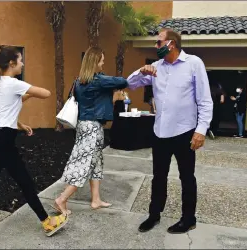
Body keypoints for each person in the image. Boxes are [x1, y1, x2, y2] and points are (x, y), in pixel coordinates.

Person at [0, 45, 68, 246]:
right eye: (20, 60)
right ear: (11, 64)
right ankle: (47, 222)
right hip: (3, 143)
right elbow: (46, 93)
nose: (23, 63)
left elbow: (8, 106)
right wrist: (30, 90)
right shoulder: (13, 83)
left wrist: (22, 113)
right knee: (24, 183)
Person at [127, 28, 213, 234]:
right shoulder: (156, 67)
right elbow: (130, 84)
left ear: (171, 44)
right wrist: (141, 71)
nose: (155, 47)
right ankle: (154, 215)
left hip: (185, 132)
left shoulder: (194, 64)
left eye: (158, 43)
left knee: (187, 177)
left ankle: (188, 219)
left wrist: (201, 130)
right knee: (158, 177)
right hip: (160, 132)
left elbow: (205, 101)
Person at [52, 47, 128, 216]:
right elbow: (122, 82)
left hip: (84, 125)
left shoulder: (79, 81)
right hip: (92, 127)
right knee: (83, 165)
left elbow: (93, 101)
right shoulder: (97, 80)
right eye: (101, 60)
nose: (102, 64)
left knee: (96, 162)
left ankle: (96, 200)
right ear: (94, 62)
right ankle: (61, 200)